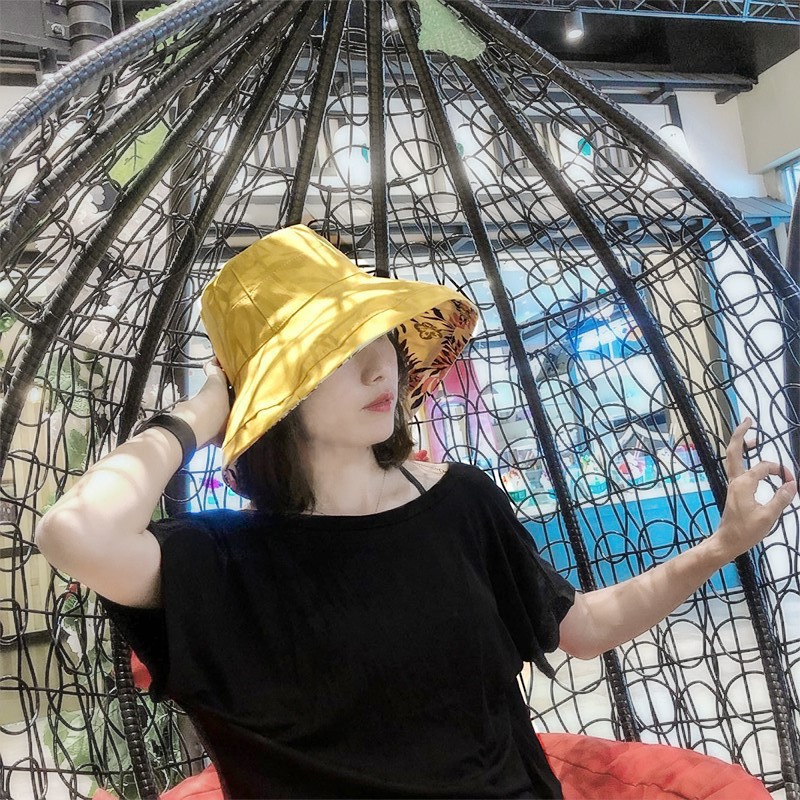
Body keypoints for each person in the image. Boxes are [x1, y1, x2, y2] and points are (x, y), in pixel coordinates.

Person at [34, 225, 797, 799]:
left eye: (378, 337)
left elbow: (586, 628)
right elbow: (74, 532)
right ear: (273, 393)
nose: (379, 365)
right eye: (334, 352)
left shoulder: (460, 501)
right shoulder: (220, 559)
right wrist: (205, 409)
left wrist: (722, 544)